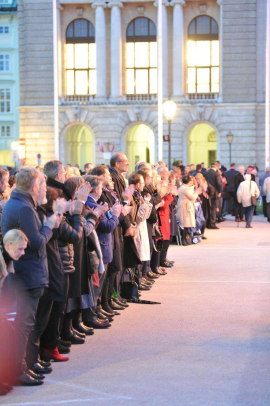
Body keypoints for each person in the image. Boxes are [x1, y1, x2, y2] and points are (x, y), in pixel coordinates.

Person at [1, 168, 60, 385]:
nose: (45, 188)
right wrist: (49, 226)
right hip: (27, 272)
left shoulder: (19, 203)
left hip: (25, 272)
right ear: (34, 187)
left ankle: (23, 365)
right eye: (43, 185)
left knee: (25, 323)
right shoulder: (24, 208)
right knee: (24, 324)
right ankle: (18, 370)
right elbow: (35, 242)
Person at [0, 229, 28, 392]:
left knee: (8, 333)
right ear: (9, 245)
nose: (23, 253)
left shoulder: (7, 260)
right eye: (20, 249)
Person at [176, 175, 198, 246]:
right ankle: (183, 240)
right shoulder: (184, 188)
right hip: (184, 208)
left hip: (187, 207)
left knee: (187, 225)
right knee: (184, 224)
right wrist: (196, 193)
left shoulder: (185, 187)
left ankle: (186, 239)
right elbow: (192, 197)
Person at [205, 163, 222, 229]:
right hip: (214, 193)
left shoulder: (206, 173)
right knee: (214, 208)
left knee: (208, 208)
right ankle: (212, 223)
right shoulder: (216, 173)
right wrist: (220, 191)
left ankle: (208, 223)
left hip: (208, 192)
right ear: (216, 167)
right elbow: (219, 183)